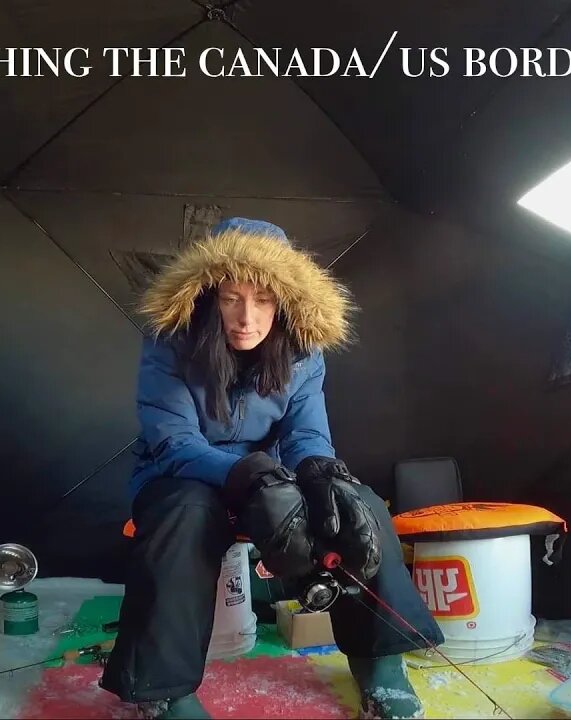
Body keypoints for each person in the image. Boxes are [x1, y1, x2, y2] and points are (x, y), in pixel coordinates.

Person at [99, 218, 443, 719]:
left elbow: (306, 435)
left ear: (284, 302)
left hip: (270, 480)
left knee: (357, 503)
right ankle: (162, 690)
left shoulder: (304, 353)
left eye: (263, 300)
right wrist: (251, 474)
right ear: (205, 296)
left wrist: (320, 475)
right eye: (230, 298)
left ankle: (380, 663)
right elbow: (174, 442)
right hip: (180, 477)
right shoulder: (170, 341)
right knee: (184, 516)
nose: (246, 317)